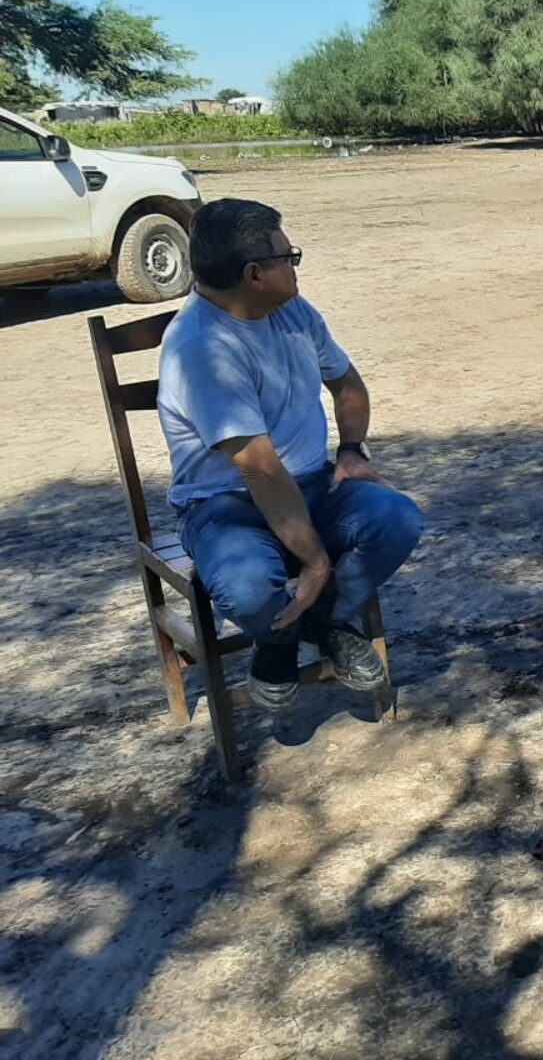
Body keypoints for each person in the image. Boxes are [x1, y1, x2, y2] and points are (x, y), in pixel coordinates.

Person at [157, 199, 424, 714]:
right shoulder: (201, 347)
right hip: (225, 504)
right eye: (289, 256)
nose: (296, 265)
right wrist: (316, 561)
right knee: (248, 588)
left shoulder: (292, 311)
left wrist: (349, 450)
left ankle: (320, 625)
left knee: (397, 519)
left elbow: (345, 382)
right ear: (254, 274)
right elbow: (258, 467)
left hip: (311, 483)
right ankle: (282, 640)